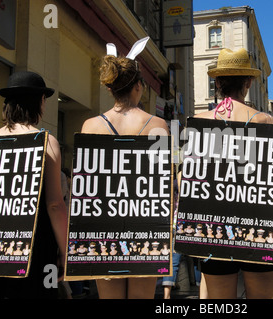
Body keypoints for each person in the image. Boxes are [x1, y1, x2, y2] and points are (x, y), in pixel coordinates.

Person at [194, 48, 273, 299]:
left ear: (217, 82)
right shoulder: (264, 120)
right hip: (257, 226)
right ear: (247, 83)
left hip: (213, 227)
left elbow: (189, 177)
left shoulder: (200, 119)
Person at [81, 41, 169, 299]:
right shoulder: (159, 125)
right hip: (147, 228)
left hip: (103, 228)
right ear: (139, 86)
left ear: (111, 89)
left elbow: (85, 188)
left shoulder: (90, 126)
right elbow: (162, 184)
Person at [0, 71, 68, 299]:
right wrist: (68, 254)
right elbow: (55, 204)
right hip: (36, 249)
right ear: (39, 102)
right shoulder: (46, 142)